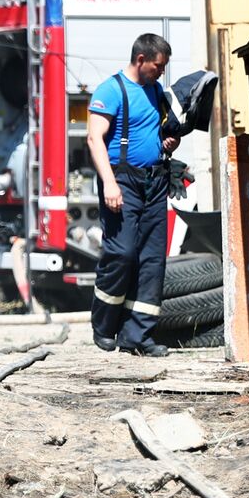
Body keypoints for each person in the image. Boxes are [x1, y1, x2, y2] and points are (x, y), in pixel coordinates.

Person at [86, 33, 181, 357]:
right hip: (122, 181)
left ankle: (137, 336)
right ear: (141, 60)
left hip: (154, 182)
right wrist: (110, 183)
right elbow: (94, 139)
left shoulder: (156, 91)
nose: (161, 73)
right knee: (122, 253)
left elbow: (164, 131)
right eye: (158, 66)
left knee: (152, 260)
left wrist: (168, 143)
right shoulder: (111, 89)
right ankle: (104, 326)